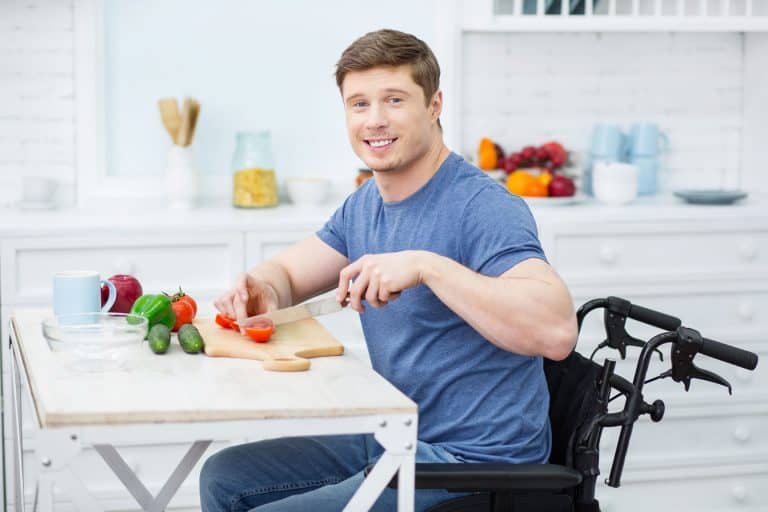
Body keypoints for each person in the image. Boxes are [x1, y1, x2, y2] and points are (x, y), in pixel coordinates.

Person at [200, 28, 578, 512]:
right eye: (359, 104)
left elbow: (556, 331)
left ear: (435, 105)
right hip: (396, 435)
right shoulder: (365, 205)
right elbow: (287, 275)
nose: (375, 120)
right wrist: (264, 290)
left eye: (394, 100)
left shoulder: (482, 207)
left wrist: (427, 266)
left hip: (473, 464)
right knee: (224, 476)